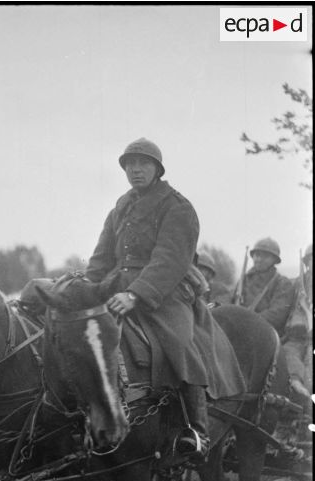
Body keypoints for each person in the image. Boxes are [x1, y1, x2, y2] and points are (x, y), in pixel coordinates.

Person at [85, 137, 246, 463]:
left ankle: (196, 431)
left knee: (180, 342)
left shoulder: (177, 206)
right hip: (117, 287)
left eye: (142, 163)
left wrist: (136, 294)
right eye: (130, 164)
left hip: (166, 292)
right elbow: (101, 258)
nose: (135, 169)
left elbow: (170, 259)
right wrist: (86, 289)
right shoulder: (121, 206)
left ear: (157, 168)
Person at [233, 238, 295, 337]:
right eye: (257, 255)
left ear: (274, 260)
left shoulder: (283, 283)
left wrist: (245, 320)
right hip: (237, 330)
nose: (259, 260)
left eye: (265, 256)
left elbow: (277, 315)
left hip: (266, 335)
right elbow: (230, 300)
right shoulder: (244, 280)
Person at [281, 244, 312, 410]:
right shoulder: (297, 285)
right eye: (311, 260)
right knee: (288, 352)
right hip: (297, 337)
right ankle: (296, 384)